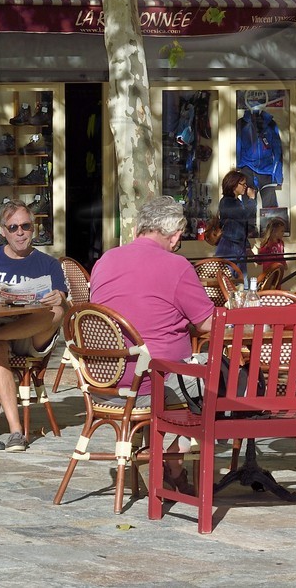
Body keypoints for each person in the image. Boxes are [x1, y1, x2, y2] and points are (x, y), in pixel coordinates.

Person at [89, 195, 214, 490]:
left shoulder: (105, 260)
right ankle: (174, 453)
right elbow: (209, 324)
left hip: (104, 383)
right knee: (229, 374)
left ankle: (158, 456)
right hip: (154, 383)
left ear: (138, 230)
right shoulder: (176, 266)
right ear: (175, 236)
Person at [0, 201, 67, 452]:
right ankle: (16, 432)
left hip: (29, 332)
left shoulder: (48, 264)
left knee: (56, 311)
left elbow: (62, 298)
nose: (20, 232)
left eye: (25, 226)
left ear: (33, 228)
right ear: (3, 231)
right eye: (13, 227)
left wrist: (59, 297)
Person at [214, 169, 256, 274]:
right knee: (227, 277)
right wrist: (251, 199)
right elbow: (243, 216)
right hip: (229, 246)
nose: (245, 186)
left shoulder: (238, 202)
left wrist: (247, 246)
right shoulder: (226, 202)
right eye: (243, 184)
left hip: (239, 246)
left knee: (242, 279)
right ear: (233, 185)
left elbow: (242, 226)